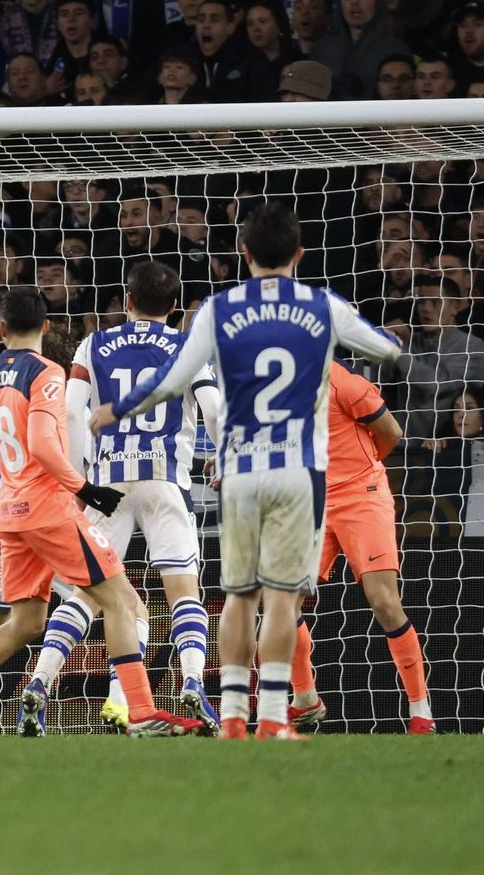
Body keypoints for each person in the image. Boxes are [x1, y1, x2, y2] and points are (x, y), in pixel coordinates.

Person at [92, 204, 404, 739]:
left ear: (245, 253)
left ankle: (235, 716)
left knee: (240, 596)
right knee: (282, 598)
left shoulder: (219, 309)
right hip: (296, 471)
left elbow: (173, 380)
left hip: (242, 467)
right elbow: (387, 351)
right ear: (298, 254)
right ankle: (273, 719)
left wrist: (115, 409)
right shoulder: (320, 306)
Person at [0, 286, 205, 738]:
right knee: (120, 601)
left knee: (26, 622)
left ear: (1, 329)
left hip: (9, 514)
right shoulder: (47, 372)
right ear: (46, 326)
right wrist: (85, 489)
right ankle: (142, 712)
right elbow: (44, 443)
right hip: (49, 509)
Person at [26, 262, 224, 734]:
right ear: (174, 307)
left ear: (128, 300)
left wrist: (78, 480)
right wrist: (225, 453)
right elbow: (214, 408)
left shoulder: (92, 344)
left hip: (107, 484)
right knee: (183, 591)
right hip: (164, 480)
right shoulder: (188, 347)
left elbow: (71, 412)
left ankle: (39, 682)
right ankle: (193, 681)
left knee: (88, 594)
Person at [288, 360, 435, 734]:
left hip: (362, 495)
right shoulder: (278, 384)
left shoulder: (345, 384)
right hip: (312, 501)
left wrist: (359, 472)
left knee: (384, 602)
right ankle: (306, 699)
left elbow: (391, 433)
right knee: (281, 600)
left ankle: (421, 712)